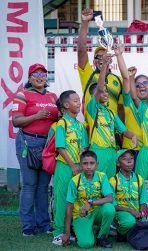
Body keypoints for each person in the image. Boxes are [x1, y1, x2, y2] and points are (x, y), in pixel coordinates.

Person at [12, 63, 58, 236]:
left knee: (43, 186)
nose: (40, 77)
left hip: (48, 145)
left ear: (47, 77)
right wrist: (37, 116)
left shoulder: (53, 97)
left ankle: (44, 224)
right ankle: (28, 226)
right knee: (30, 185)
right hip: (28, 143)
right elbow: (16, 121)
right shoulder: (23, 95)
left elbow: (59, 117)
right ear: (30, 78)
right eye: (35, 74)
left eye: (43, 74)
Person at [85, 53, 137, 178]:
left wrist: (133, 136)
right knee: (98, 184)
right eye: (103, 92)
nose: (106, 94)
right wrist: (104, 67)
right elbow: (99, 87)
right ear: (95, 96)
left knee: (110, 184)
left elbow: (123, 131)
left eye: (107, 92)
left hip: (112, 152)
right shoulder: (93, 109)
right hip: (98, 151)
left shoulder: (112, 113)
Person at [52, 90, 89, 245]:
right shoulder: (62, 123)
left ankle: (71, 229)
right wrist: (73, 165)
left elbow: (84, 147)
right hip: (65, 167)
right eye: (75, 100)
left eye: (79, 100)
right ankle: (58, 232)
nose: (78, 102)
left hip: (78, 168)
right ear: (66, 105)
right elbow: (60, 147)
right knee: (61, 200)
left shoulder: (80, 125)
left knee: (76, 199)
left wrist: (80, 165)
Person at [77, 8, 124, 124]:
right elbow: (82, 50)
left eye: (105, 56)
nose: (102, 59)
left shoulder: (118, 80)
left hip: (112, 130)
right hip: (92, 129)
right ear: (93, 61)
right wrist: (85, 23)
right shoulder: (87, 74)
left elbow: (120, 108)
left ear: (111, 59)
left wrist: (121, 133)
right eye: (98, 57)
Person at [61, 151, 115, 248]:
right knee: (86, 244)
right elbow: (69, 207)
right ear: (80, 165)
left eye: (92, 163)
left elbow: (110, 198)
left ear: (97, 165)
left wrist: (91, 203)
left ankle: (101, 236)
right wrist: (67, 233)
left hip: (97, 212)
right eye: (85, 163)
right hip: (81, 215)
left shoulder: (102, 176)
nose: (89, 167)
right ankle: (80, 231)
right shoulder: (75, 181)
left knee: (109, 208)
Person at [109, 149, 148, 242]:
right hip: (121, 213)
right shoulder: (113, 180)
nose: (129, 161)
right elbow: (113, 206)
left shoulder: (139, 179)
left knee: (144, 226)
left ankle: (128, 234)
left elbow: (143, 201)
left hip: (136, 213)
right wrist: (131, 211)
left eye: (131, 158)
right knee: (130, 222)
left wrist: (141, 214)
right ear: (118, 163)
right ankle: (120, 231)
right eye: (124, 159)